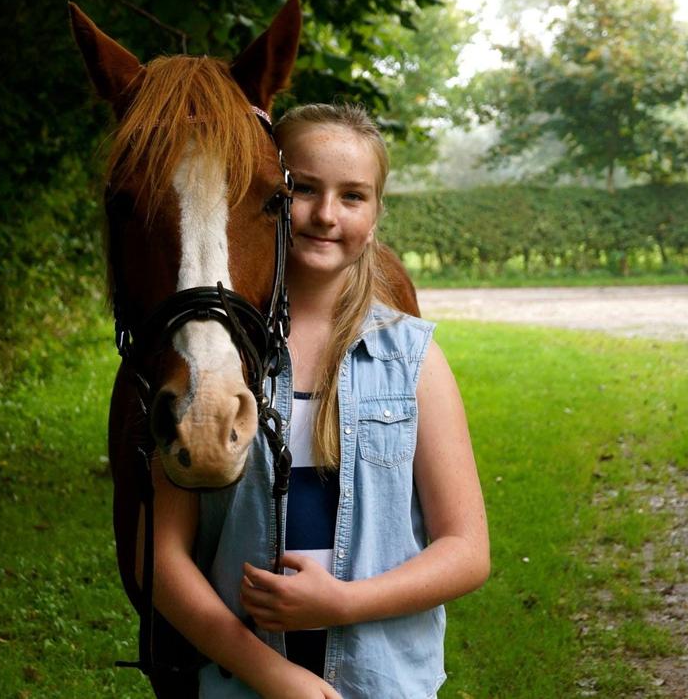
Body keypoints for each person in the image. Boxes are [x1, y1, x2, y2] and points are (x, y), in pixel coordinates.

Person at [151, 103, 490, 698]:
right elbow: (160, 559)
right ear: (265, 196)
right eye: (303, 188)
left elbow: (466, 550)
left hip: (383, 684)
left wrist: (341, 603)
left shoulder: (413, 359)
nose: (326, 214)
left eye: (353, 196)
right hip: (245, 685)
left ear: (376, 212)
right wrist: (273, 675)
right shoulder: (215, 360)